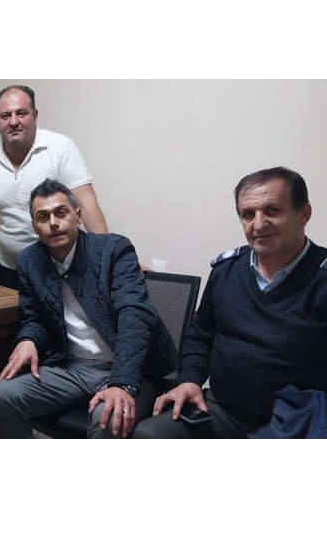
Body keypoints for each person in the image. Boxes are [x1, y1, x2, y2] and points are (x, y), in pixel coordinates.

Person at [134, 167, 327, 438]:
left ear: (303, 214)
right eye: (248, 214)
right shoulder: (226, 270)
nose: (258, 224)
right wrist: (189, 379)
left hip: (298, 420)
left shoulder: (321, 279)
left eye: (272, 210)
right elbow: (200, 336)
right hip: (221, 410)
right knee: (150, 435)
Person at [0, 179, 176, 438]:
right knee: (4, 396)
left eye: (61, 212)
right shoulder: (29, 261)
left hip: (129, 369)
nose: (53, 223)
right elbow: (35, 318)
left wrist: (121, 383)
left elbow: (135, 317)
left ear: (77, 216)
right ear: (34, 226)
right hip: (72, 368)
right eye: (43, 217)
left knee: (108, 418)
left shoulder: (113, 250)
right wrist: (28, 339)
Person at [0, 85, 108, 289]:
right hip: (9, 269)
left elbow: (87, 204)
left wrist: (108, 263)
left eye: (21, 113)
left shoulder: (61, 149)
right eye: (6, 116)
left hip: (60, 267)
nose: (13, 122)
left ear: (35, 115)